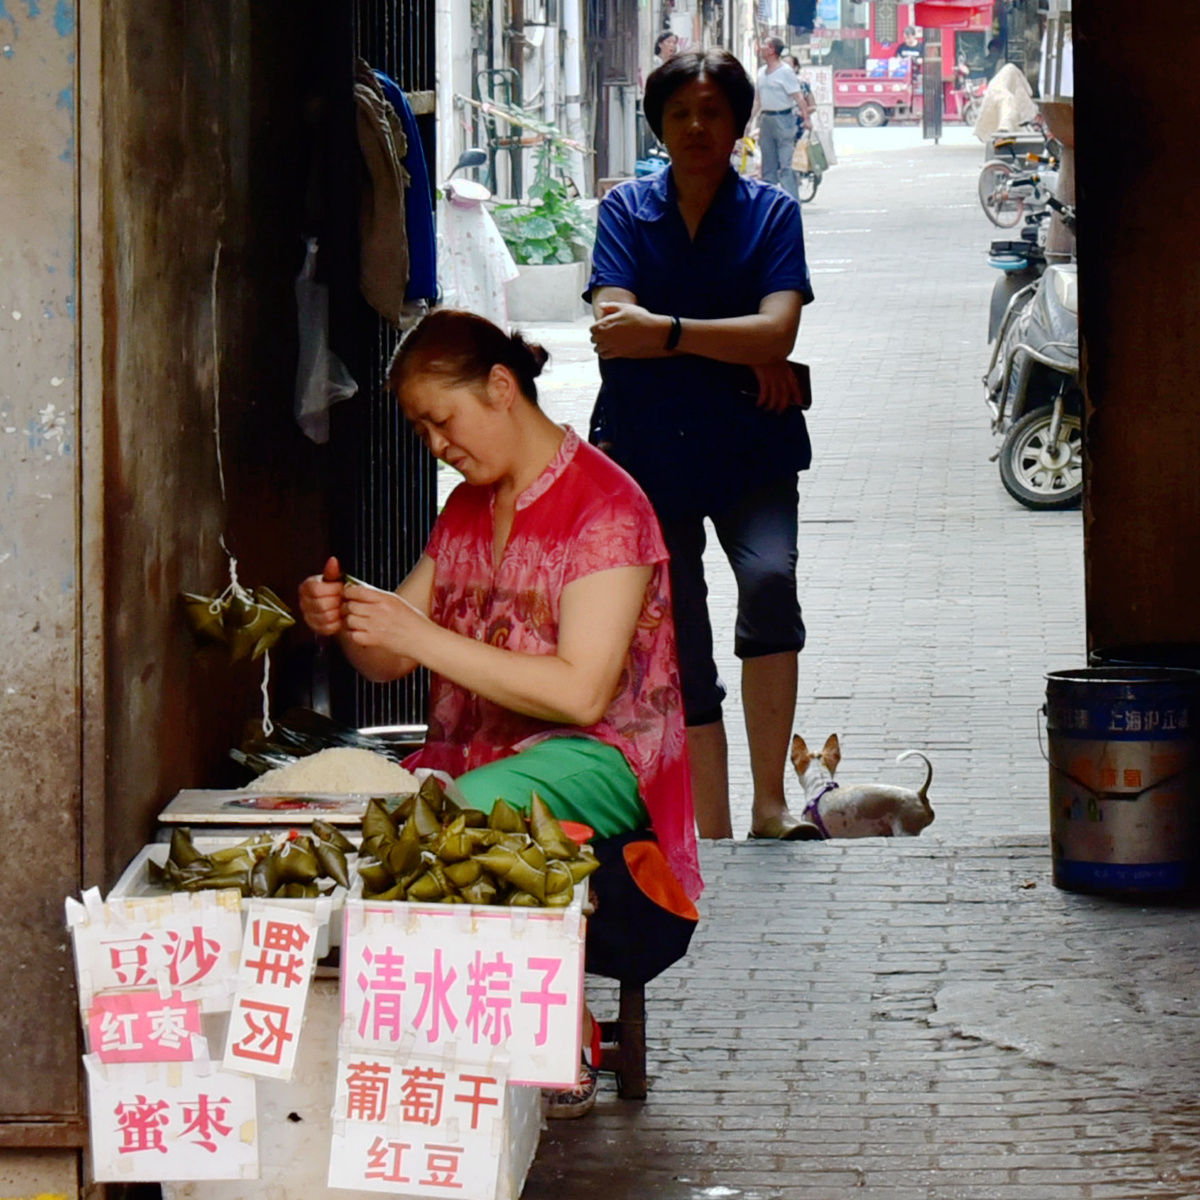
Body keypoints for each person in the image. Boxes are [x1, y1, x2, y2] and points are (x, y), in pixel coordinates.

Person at [298, 308, 701, 1115]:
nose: (438, 445)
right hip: (478, 755)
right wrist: (350, 619)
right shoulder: (465, 511)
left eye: (441, 420)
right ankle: (434, 1038)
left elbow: (582, 693)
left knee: (445, 817)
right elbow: (392, 657)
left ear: (501, 387)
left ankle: (555, 1021)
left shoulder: (607, 510)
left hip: (601, 758)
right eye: (422, 432)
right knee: (382, 820)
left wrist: (418, 633)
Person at [587, 48, 818, 842]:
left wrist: (672, 332)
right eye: (681, 112)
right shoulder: (625, 212)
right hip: (650, 455)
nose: (696, 126)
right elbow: (615, 334)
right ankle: (710, 823)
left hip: (753, 446)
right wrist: (742, 347)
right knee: (679, 630)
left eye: (713, 112)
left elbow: (779, 327)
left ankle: (771, 806)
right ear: (659, 123)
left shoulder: (771, 213)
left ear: (739, 123)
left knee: (769, 584)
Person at [748, 37, 802, 202]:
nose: (761, 46)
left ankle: (791, 202)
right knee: (768, 166)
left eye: (764, 44)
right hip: (766, 119)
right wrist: (750, 119)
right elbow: (757, 99)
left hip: (783, 119)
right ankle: (770, 204)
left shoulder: (785, 71)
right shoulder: (761, 72)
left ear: (771, 50)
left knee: (786, 165)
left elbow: (798, 96)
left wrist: (806, 118)